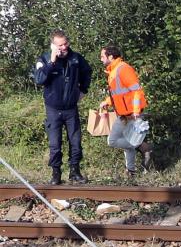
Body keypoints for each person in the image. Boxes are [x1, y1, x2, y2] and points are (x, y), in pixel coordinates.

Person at [32, 29, 92, 185]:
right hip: (53, 109)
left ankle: (75, 172)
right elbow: (39, 79)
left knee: (75, 141)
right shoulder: (44, 59)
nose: (63, 47)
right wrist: (51, 62)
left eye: (65, 44)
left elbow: (87, 72)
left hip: (71, 108)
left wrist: (83, 90)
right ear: (53, 45)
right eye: (59, 45)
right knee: (55, 144)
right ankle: (56, 173)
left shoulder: (76, 58)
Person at [98, 45, 152, 178]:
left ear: (111, 57)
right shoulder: (114, 70)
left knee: (113, 140)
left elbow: (136, 91)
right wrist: (108, 102)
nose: (101, 59)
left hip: (130, 114)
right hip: (124, 113)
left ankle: (143, 146)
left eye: (102, 56)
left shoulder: (123, 69)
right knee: (126, 142)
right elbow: (119, 94)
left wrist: (135, 111)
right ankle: (131, 171)